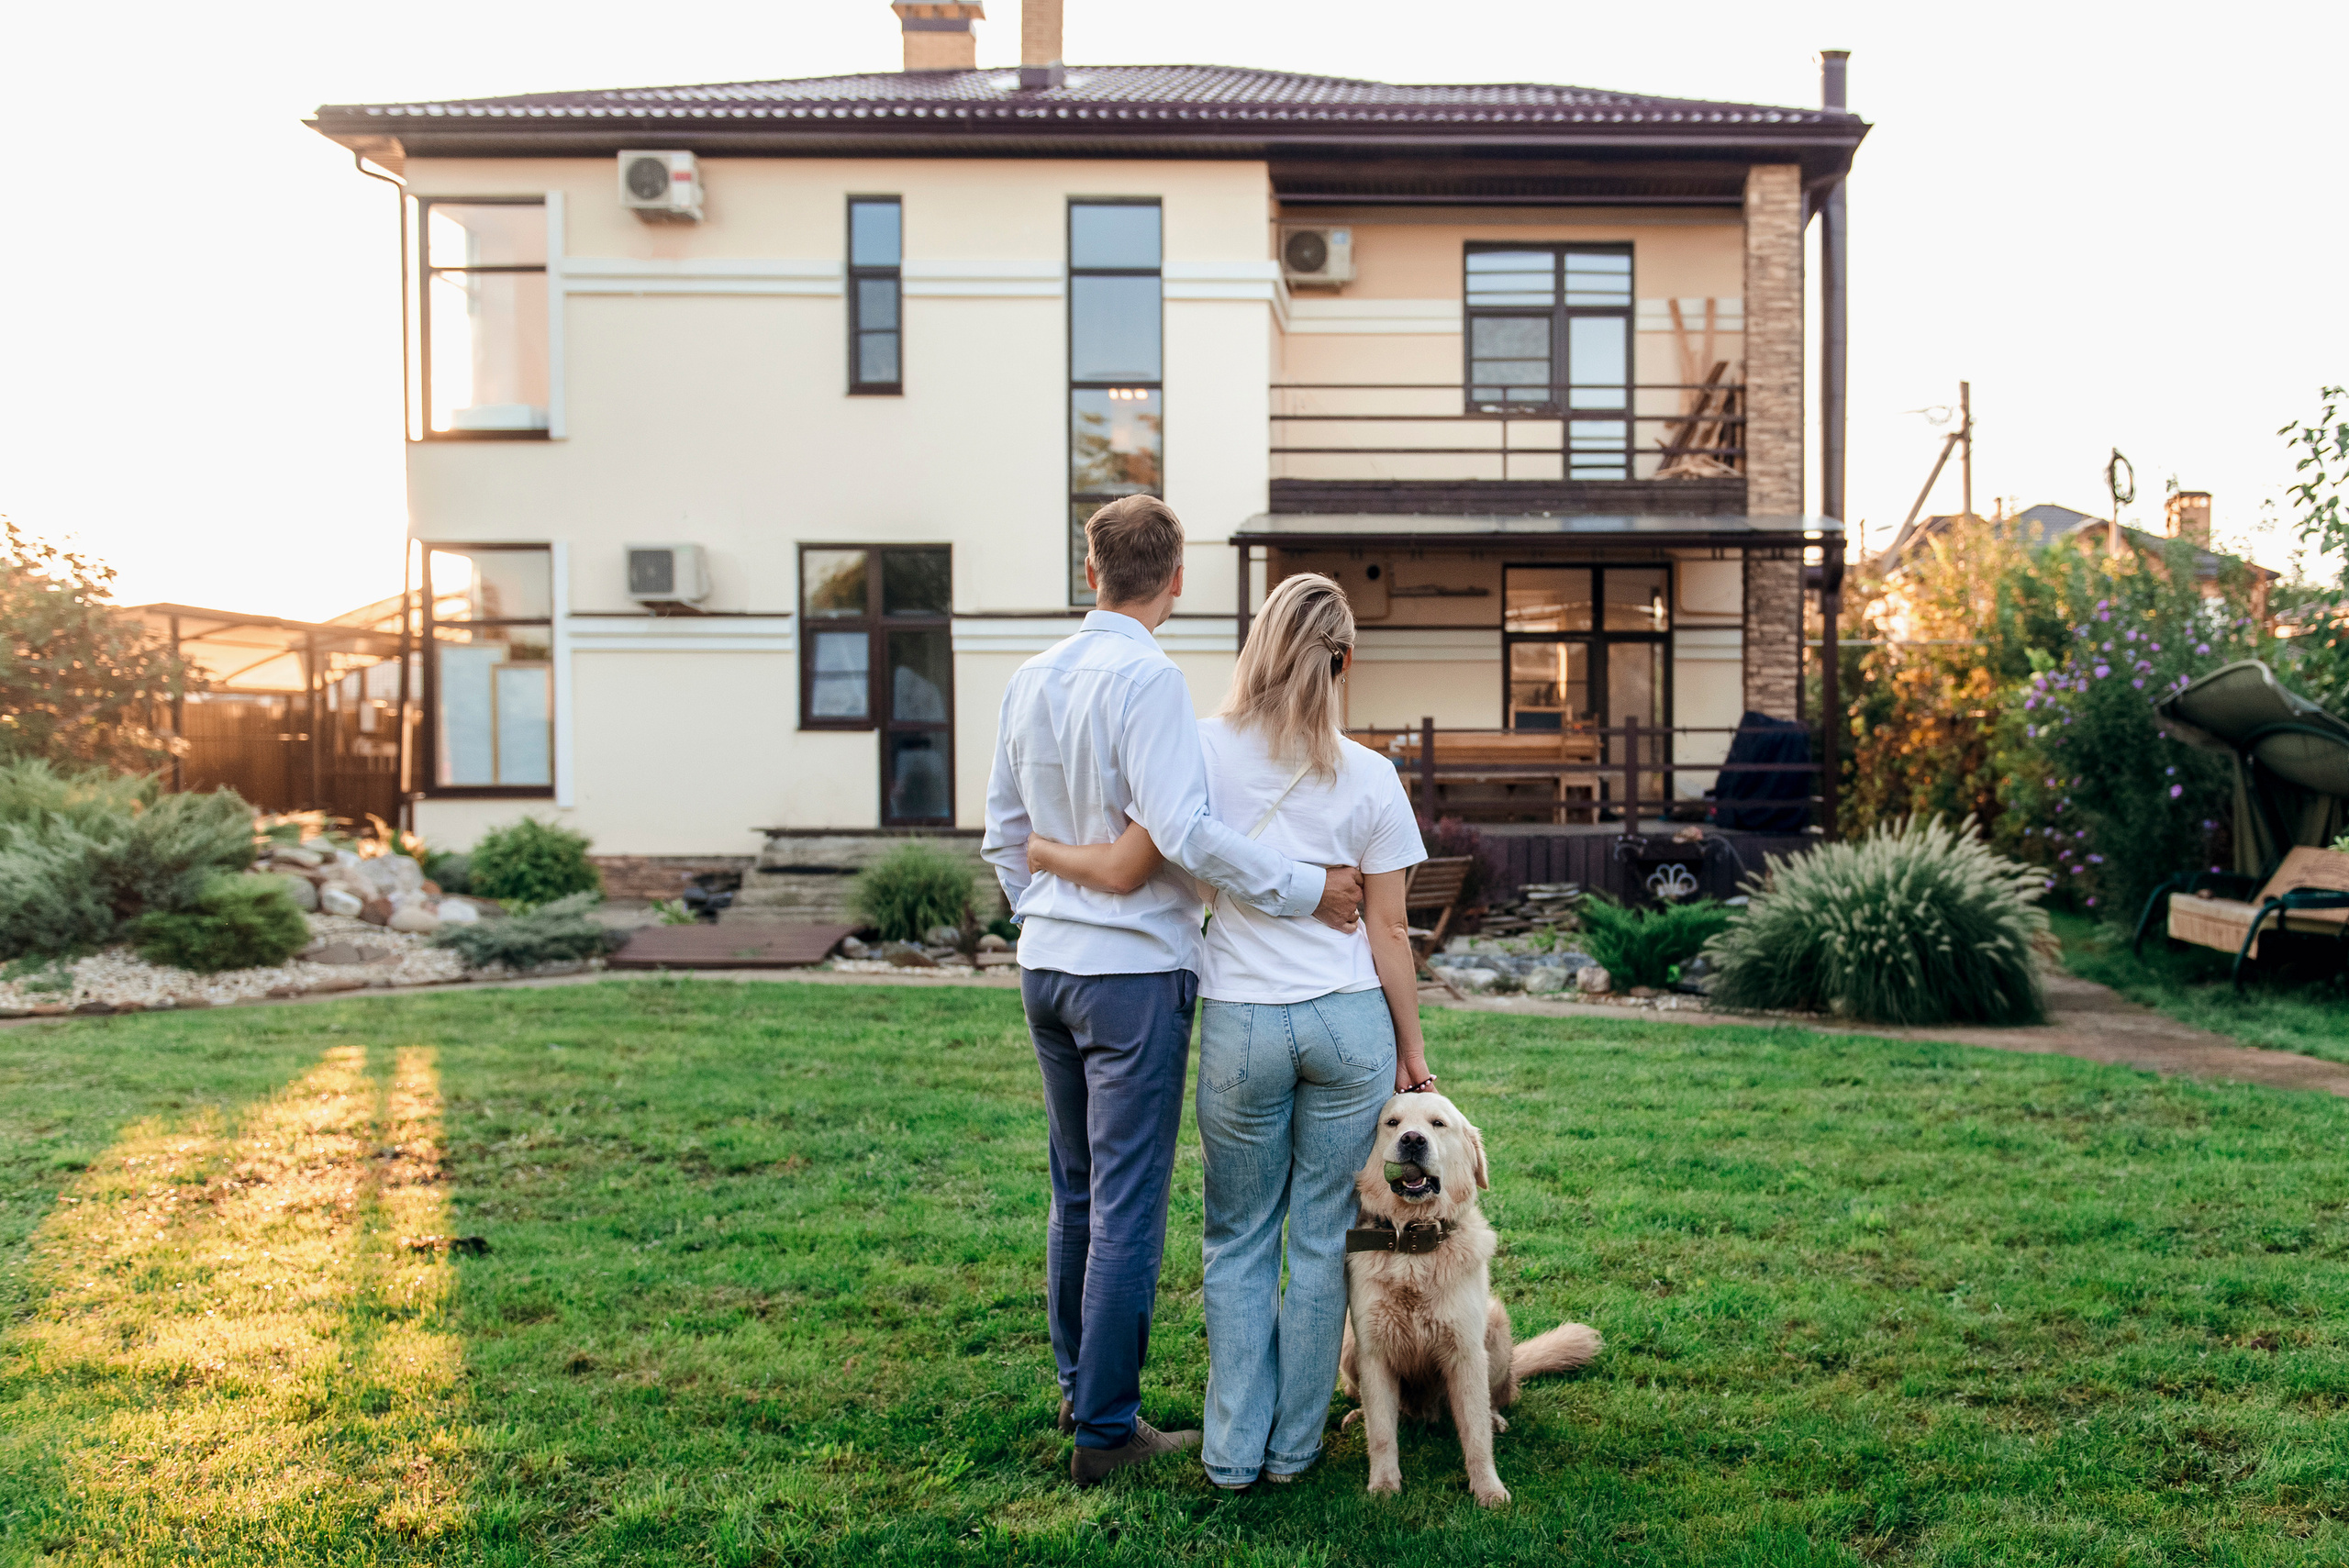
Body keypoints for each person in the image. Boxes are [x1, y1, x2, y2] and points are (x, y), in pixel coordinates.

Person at [981, 497, 1367, 1487]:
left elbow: (1003, 835)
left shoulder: (1028, 676)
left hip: (1046, 970)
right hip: (1127, 979)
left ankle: (1079, 1386)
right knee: (1127, 1203)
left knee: (1073, 1187)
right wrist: (1306, 887)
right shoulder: (1149, 679)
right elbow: (1185, 833)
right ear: (1178, 574)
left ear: (1090, 565)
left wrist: (1046, 911)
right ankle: (1106, 1427)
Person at [1027, 571, 1436, 1491]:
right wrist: (1410, 1051)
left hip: (1243, 1022)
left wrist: (1041, 854)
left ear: (1255, 646)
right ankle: (1294, 1451)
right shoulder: (1371, 774)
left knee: (1238, 1236)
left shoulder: (1199, 750)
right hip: (1348, 1022)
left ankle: (1228, 1452)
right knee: (1327, 1235)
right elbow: (1387, 930)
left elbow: (1154, 854)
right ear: (1344, 659)